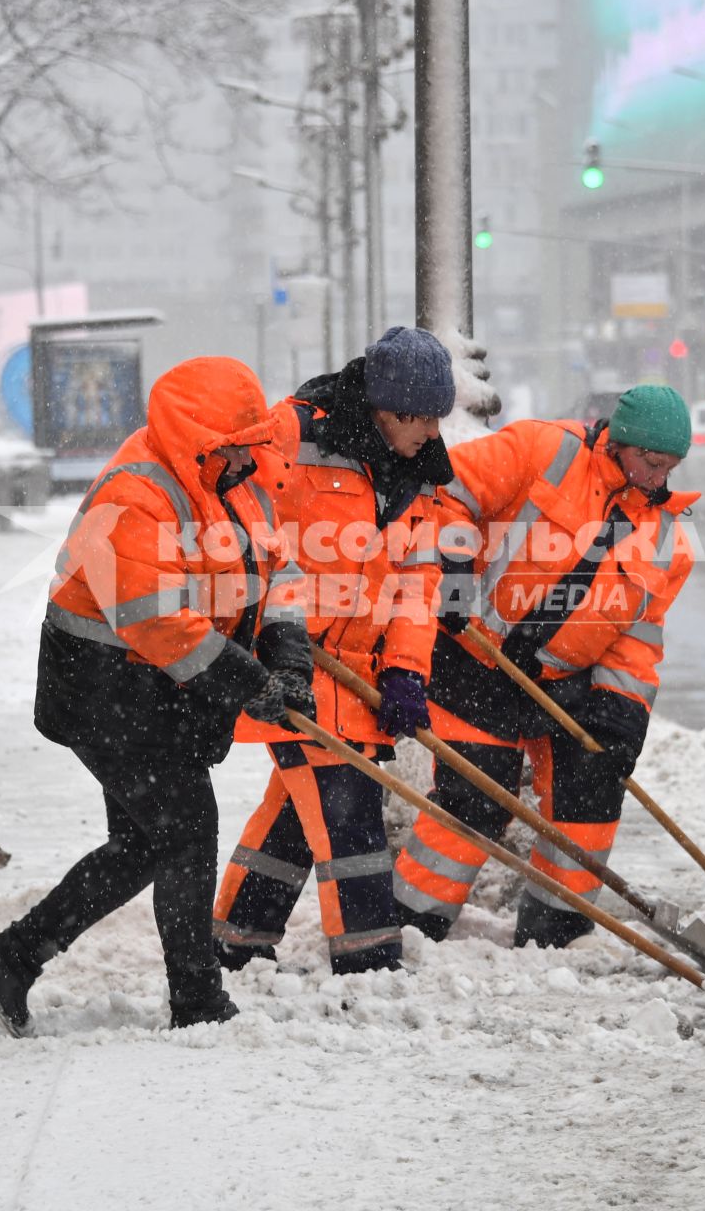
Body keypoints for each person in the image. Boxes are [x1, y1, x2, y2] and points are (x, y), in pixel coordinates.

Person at [0, 356, 316, 1036]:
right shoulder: (137, 491)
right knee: (185, 829)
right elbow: (157, 622)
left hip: (159, 691)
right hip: (103, 690)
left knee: (147, 841)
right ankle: (195, 998)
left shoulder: (234, 479)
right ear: (202, 440)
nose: (250, 462)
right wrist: (252, 685)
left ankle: (16, 953)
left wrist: (288, 657)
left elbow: (277, 571)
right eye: (236, 449)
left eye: (253, 447)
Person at [393, 385, 699, 948]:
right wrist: (455, 565)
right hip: (473, 659)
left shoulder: (667, 541)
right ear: (618, 442)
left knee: (592, 791)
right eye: (651, 463)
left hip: (558, 685)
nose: (659, 478)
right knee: (478, 795)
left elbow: (636, 641)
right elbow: (445, 489)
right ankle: (412, 924)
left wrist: (621, 716)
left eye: (670, 468)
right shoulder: (543, 450)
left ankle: (556, 929)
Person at [212, 326, 462, 977]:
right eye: (426, 420)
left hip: (359, 675)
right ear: (389, 410)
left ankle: (236, 941)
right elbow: (236, 516)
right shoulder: (295, 436)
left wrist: (407, 669)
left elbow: (417, 581)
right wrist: (263, 624)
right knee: (348, 810)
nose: (434, 435)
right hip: (295, 662)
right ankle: (372, 965)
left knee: (299, 817)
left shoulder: (418, 474)